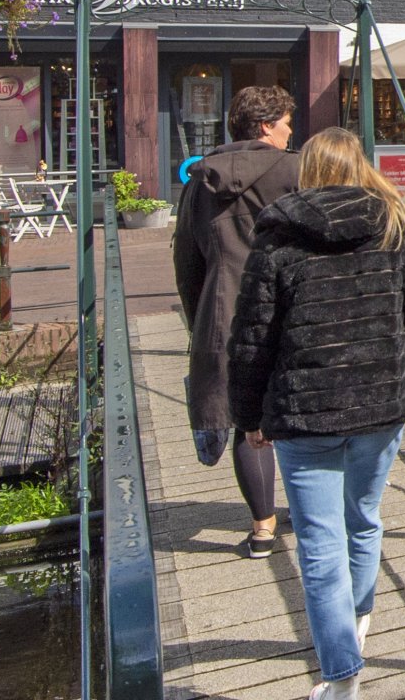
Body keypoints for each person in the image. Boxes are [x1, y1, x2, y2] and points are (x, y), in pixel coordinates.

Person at [229, 128, 405, 700]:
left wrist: (248, 415)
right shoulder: (395, 229)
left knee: (319, 544)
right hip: (381, 406)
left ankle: (341, 672)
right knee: (365, 518)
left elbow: (252, 338)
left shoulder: (276, 238)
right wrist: (393, 361)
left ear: (307, 172)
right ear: (361, 168)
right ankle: (358, 623)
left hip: (306, 411)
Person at [170, 85, 298, 558]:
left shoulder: (200, 178)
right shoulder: (295, 171)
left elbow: (186, 259)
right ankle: (312, 511)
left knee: (247, 418)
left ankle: (262, 528)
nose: (290, 132)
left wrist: (197, 318)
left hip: (224, 310)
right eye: (286, 123)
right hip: (289, 306)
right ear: (266, 126)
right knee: (300, 410)